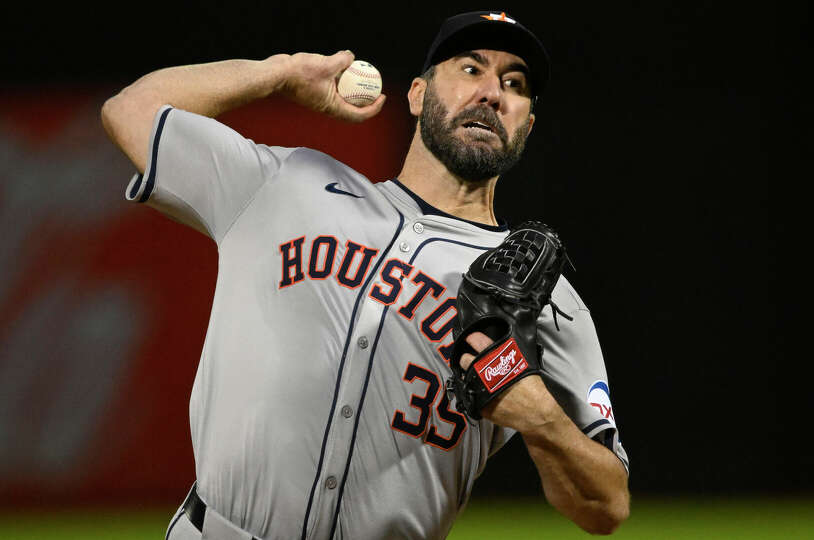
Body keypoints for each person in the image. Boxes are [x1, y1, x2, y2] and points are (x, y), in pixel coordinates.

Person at [101, 10, 629, 540]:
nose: (493, 93)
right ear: (418, 94)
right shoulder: (287, 183)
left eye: (514, 84)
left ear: (527, 124)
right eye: (472, 69)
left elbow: (606, 506)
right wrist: (278, 74)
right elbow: (131, 110)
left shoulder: (544, 297)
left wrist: (538, 414)